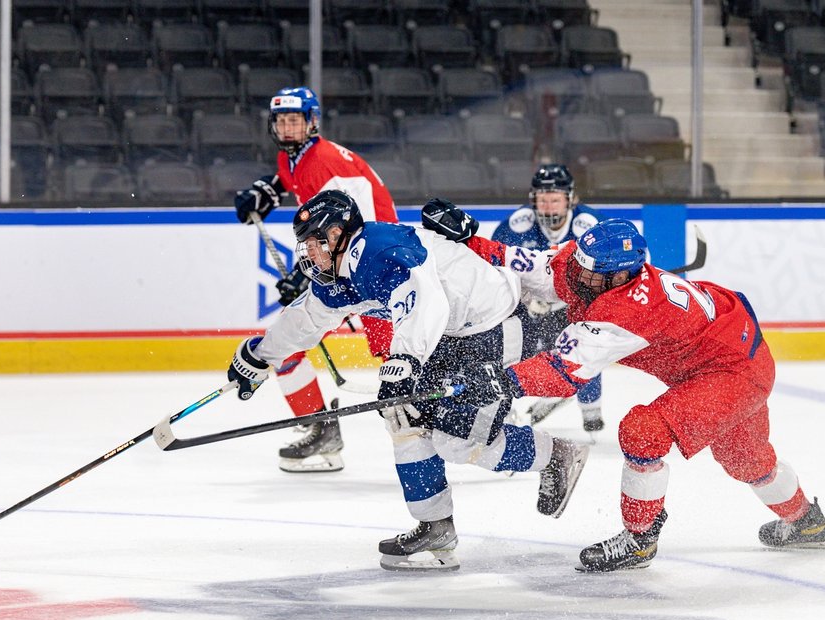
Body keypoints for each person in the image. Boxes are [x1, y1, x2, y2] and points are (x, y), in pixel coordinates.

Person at [226, 190, 590, 572]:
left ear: (335, 235)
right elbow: (308, 317)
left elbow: (426, 302)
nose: (308, 254)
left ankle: (555, 456)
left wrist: (403, 359)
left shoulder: (379, 252)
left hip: (495, 325)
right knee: (404, 417)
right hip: (447, 335)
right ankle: (435, 526)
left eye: (313, 244)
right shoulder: (340, 269)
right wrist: (260, 355)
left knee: (459, 439)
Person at [447, 216, 825, 572]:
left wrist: (501, 380)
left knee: (643, 431)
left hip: (732, 373)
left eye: (591, 272)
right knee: (745, 460)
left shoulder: (627, 311)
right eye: (580, 261)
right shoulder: (588, 267)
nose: (577, 272)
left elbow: (565, 371)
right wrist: (468, 239)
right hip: (735, 345)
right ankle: (807, 524)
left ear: (620, 277)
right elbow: (529, 265)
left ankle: (639, 539)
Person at [232, 86, 398, 473]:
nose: (288, 128)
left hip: (379, 272)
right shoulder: (295, 157)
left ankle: (477, 427)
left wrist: (308, 279)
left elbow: (360, 228)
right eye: (282, 122)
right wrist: (269, 190)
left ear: (312, 122)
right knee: (285, 345)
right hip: (344, 266)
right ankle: (322, 432)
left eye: (296, 121)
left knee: (405, 363)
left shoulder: (324, 163)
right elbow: (292, 179)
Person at [489, 164, 606, 432]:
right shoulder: (514, 227)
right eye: (543, 200)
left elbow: (610, 270)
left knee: (586, 348)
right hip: (530, 307)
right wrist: (526, 298)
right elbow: (498, 272)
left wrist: (572, 296)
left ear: (570, 199)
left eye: (555, 199)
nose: (549, 206)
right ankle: (507, 410)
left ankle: (591, 411)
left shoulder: (592, 225)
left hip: (575, 306)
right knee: (514, 354)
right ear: (533, 200)